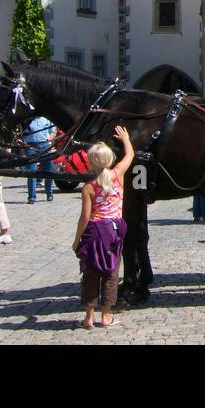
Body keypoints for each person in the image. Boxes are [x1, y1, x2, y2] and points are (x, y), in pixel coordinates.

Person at [72, 126, 133, 329]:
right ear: (109, 160)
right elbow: (130, 155)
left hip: (94, 230)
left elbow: (85, 217)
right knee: (111, 273)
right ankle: (106, 316)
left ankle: (89, 316)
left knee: (90, 273)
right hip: (113, 229)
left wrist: (76, 239)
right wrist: (125, 139)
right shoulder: (118, 175)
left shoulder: (89, 187)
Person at [22, 115, 55, 203]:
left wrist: (50, 139)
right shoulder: (27, 119)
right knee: (32, 173)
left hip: (45, 146)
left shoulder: (47, 118)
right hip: (31, 146)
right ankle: (31, 197)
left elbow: (53, 131)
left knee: (48, 171)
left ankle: (49, 193)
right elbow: (21, 134)